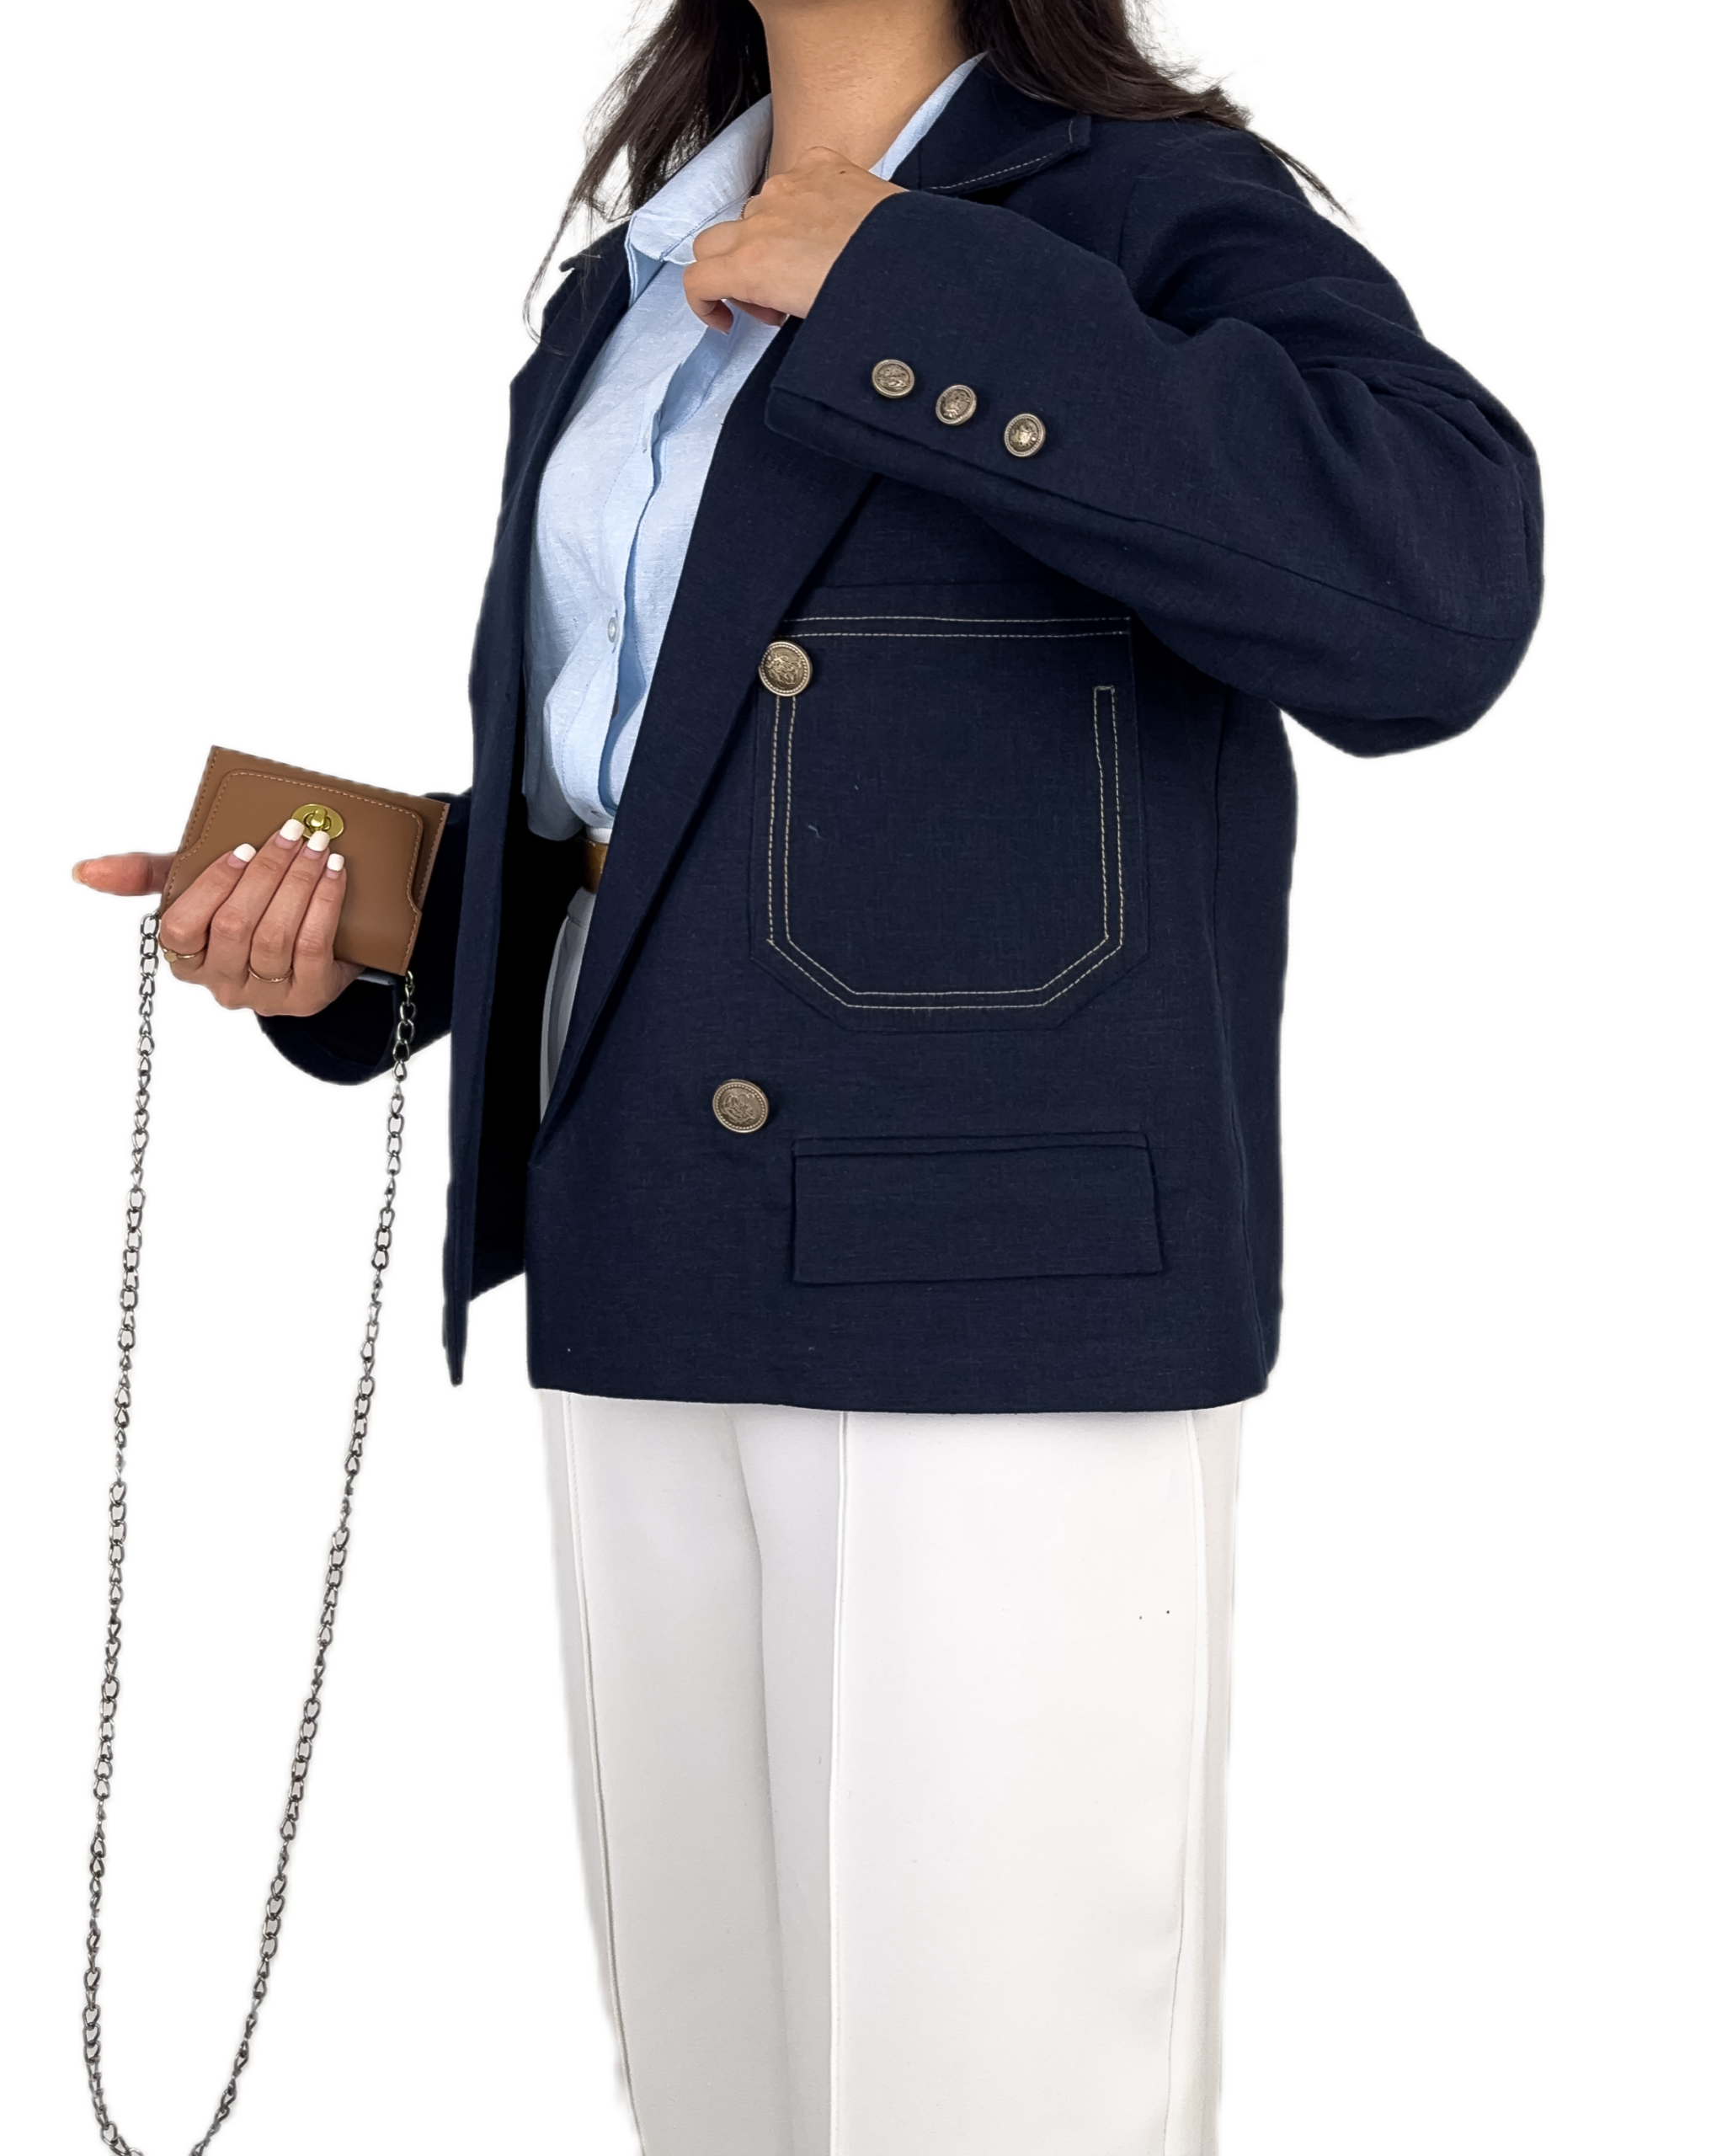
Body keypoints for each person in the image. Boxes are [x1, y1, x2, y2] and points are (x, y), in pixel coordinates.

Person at [75, 0, 1543, 2148]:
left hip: (1000, 1303)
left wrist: (898, 277)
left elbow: (1438, 593)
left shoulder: (1151, 206)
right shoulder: (625, 278)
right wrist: (349, 932)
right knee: (721, 2091)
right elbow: (653, 799)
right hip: (647, 1255)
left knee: (998, 2086)